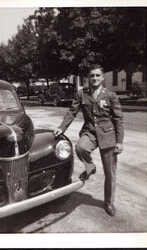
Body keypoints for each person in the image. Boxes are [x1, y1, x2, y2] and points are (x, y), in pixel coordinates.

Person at [54, 64, 124, 216]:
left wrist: (119, 141)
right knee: (80, 147)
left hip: (108, 135)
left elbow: (118, 119)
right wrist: (62, 127)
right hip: (90, 132)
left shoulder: (110, 95)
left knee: (110, 174)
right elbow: (72, 112)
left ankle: (109, 203)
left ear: (102, 77)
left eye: (97, 75)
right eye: (92, 76)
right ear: (88, 78)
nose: (95, 78)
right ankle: (90, 167)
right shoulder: (82, 94)